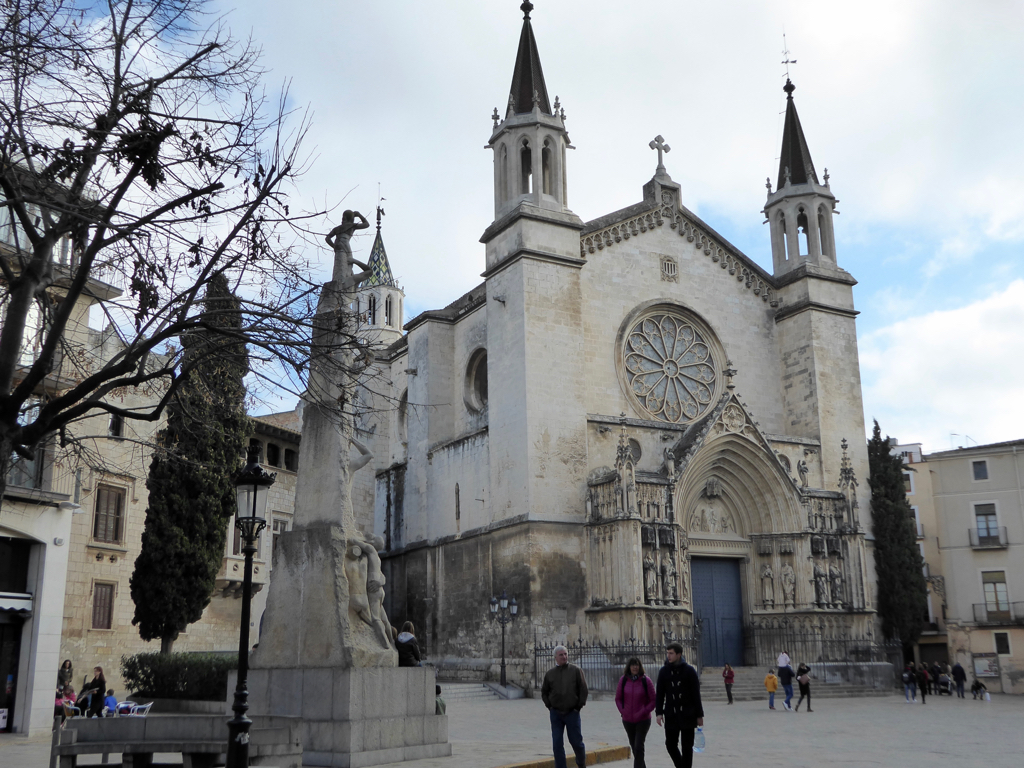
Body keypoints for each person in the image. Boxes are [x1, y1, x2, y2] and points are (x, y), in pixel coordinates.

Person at [655, 642, 704, 768]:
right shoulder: (664, 671)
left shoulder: (689, 671)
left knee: (687, 747)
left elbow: (696, 695)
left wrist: (699, 715)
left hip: (688, 714)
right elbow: (660, 694)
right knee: (670, 745)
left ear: (679, 654)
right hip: (671, 714)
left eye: (671, 653)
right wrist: (659, 713)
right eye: (667, 653)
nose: (668, 656)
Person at [541, 645, 589, 768]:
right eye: (561, 655)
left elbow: (583, 689)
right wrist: (549, 706)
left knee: (576, 742)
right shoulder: (550, 674)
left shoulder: (576, 670)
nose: (564, 657)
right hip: (556, 713)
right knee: (557, 744)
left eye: (565, 654)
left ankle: (581, 763)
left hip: (572, 712)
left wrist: (578, 707)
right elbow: (544, 691)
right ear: (555, 657)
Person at [615, 657, 656, 768]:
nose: (635, 667)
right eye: (633, 665)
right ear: (629, 667)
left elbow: (653, 700)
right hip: (628, 720)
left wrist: (644, 711)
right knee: (635, 748)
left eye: (637, 665)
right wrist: (623, 711)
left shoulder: (646, 681)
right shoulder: (623, 680)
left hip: (643, 720)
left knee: (638, 747)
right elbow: (618, 698)